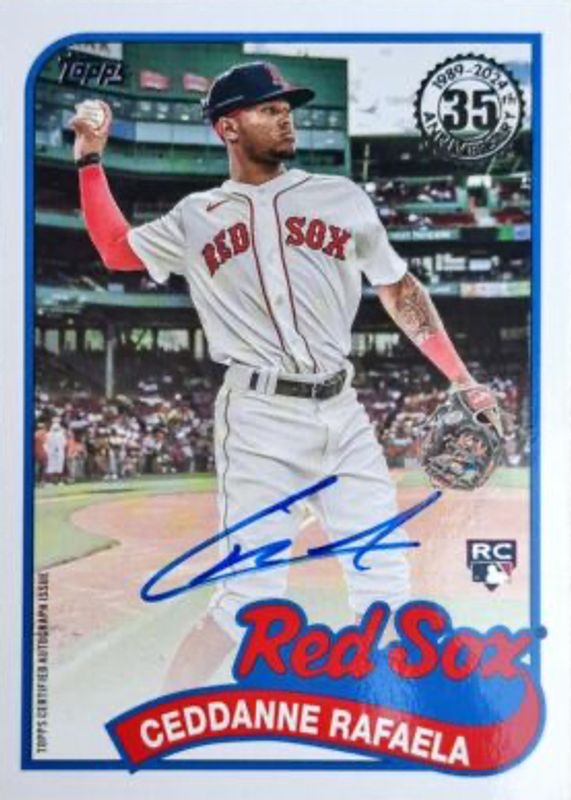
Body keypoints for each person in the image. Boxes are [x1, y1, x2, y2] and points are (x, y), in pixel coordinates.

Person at [70, 61, 498, 691]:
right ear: (228, 127)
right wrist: (89, 158)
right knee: (246, 601)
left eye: (286, 107)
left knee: (386, 582)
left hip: (343, 414)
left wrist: (462, 378)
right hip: (258, 418)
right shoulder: (196, 215)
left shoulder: (341, 197)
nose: (285, 116)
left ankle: (389, 717)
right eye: (269, 108)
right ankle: (160, 723)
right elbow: (115, 249)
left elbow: (398, 288)